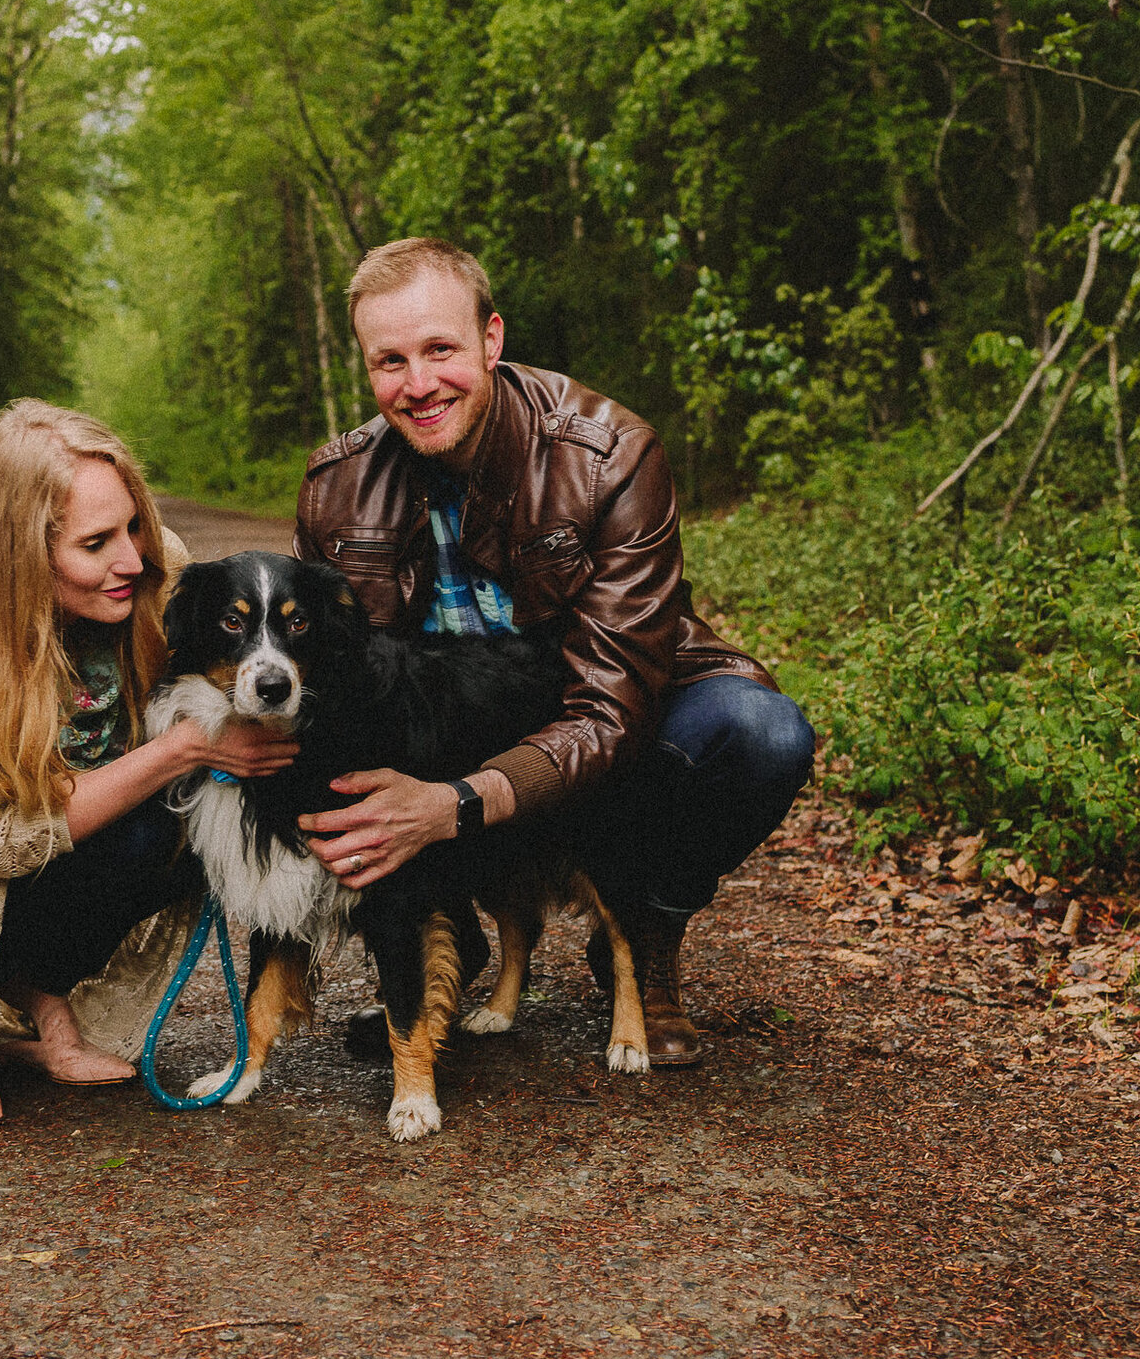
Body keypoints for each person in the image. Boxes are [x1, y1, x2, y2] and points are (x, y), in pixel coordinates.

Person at [293, 239, 816, 1066]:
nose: (417, 384)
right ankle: (447, 941)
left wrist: (454, 804)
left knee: (762, 733)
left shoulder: (609, 454)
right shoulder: (335, 485)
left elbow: (609, 709)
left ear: (491, 339)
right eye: (389, 361)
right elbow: (340, 690)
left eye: (440, 349)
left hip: (614, 715)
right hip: (463, 727)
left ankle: (647, 932)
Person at [0, 400, 296, 1128]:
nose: (133, 559)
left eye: (133, 524)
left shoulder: (151, 569)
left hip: (66, 817)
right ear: (20, 554)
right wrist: (184, 747)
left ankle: (36, 997)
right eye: (96, 542)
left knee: (188, 829)